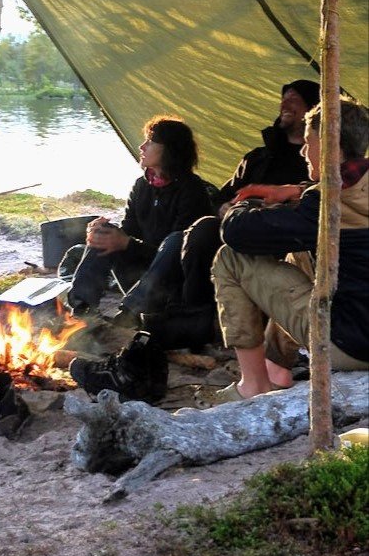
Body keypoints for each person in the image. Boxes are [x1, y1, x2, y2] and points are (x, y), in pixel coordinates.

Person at [207, 96, 368, 403]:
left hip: (351, 344)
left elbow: (237, 235)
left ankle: (253, 385)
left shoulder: (324, 203)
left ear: (332, 145)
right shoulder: (351, 186)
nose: (305, 151)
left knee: (230, 259)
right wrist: (296, 190)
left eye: (310, 142)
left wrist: (234, 210)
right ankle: (277, 367)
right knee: (302, 255)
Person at [147, 78, 323, 350]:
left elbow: (315, 205)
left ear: (312, 110)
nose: (284, 104)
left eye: (294, 100)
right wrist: (224, 208)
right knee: (204, 229)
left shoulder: (318, 166)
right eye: (283, 99)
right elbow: (220, 195)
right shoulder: (257, 158)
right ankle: (195, 316)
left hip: (282, 240)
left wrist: (275, 209)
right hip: (237, 227)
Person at [66, 116, 213, 334]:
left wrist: (126, 243)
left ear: (170, 149)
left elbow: (177, 257)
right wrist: (109, 233)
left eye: (150, 141)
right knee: (105, 232)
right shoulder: (142, 185)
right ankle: (83, 309)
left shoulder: (193, 190)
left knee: (175, 241)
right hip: (142, 281)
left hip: (173, 288)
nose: (142, 147)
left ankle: (129, 315)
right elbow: (130, 231)